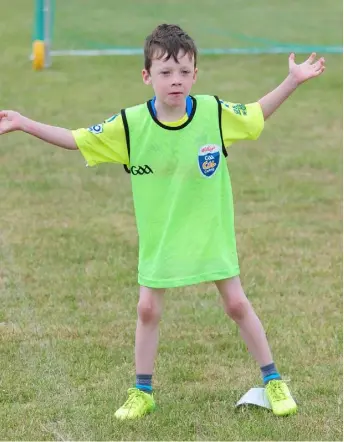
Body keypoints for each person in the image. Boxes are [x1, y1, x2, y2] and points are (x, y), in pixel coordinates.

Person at [0, 24, 325, 420]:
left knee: (238, 304)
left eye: (184, 72)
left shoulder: (213, 113)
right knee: (148, 310)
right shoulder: (132, 124)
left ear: (195, 75)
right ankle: (142, 390)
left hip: (210, 232)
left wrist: (292, 81)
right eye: (166, 72)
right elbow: (76, 139)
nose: (176, 81)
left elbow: (256, 115)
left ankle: (273, 381)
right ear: (146, 76)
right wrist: (24, 122)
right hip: (162, 237)